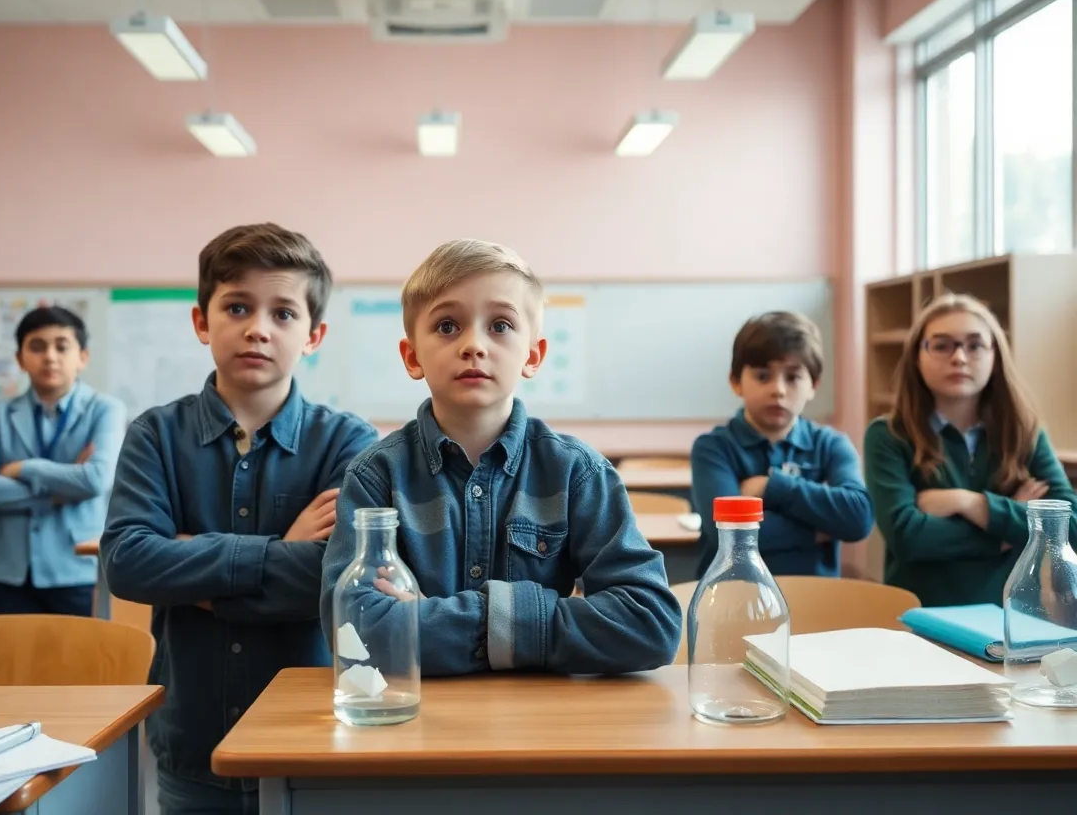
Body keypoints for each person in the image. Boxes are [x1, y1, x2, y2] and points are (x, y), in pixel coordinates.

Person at [100, 222, 377, 814]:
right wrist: (281, 549)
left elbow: (338, 579)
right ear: (202, 322)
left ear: (314, 334)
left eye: (283, 313)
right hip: (191, 740)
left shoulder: (348, 441)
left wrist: (192, 568)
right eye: (237, 307)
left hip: (313, 736)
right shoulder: (155, 434)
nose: (257, 328)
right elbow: (127, 564)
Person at [319, 238, 680, 676]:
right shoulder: (376, 477)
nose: (473, 345)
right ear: (413, 357)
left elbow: (650, 623)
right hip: (414, 727)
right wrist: (553, 620)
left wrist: (433, 619)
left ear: (533, 355)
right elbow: (355, 631)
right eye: (448, 326)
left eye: (501, 326)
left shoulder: (577, 473)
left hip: (540, 729)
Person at [864, 293, 1077, 607]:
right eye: (941, 345)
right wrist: (1008, 531)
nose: (960, 358)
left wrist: (973, 504)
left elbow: (1069, 527)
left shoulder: (1025, 432)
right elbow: (908, 537)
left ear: (995, 356)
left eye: (975, 345)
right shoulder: (888, 435)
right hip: (921, 617)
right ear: (916, 356)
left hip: (1009, 618)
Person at [0, 305, 126, 616]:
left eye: (62, 346)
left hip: (73, 562)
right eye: (37, 346)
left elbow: (95, 480)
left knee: (70, 661)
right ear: (20, 359)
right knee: (8, 661)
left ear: (83, 357)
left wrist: (24, 469)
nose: (50, 356)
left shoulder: (105, 410)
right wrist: (59, 490)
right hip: (3, 564)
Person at [690, 312, 873, 578]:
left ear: (813, 385)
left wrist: (771, 487)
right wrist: (817, 528)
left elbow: (858, 518)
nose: (778, 390)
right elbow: (727, 536)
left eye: (793, 377)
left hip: (817, 601)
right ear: (736, 382)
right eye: (763, 376)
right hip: (734, 599)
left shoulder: (831, 444)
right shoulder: (713, 448)